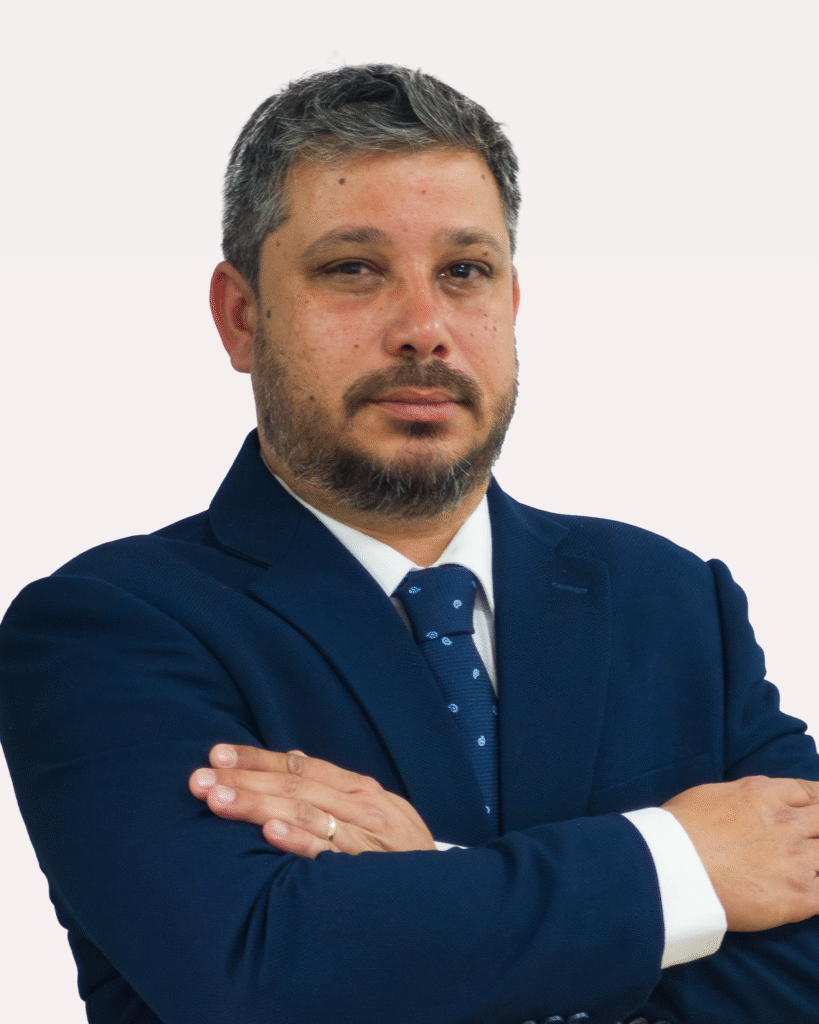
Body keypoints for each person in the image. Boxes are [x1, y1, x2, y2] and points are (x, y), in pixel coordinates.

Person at [1, 64, 818, 1024]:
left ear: (511, 303)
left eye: (463, 271)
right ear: (242, 317)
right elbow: (255, 977)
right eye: (353, 268)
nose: (423, 330)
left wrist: (428, 886)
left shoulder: (671, 600)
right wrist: (677, 864)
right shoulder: (106, 630)